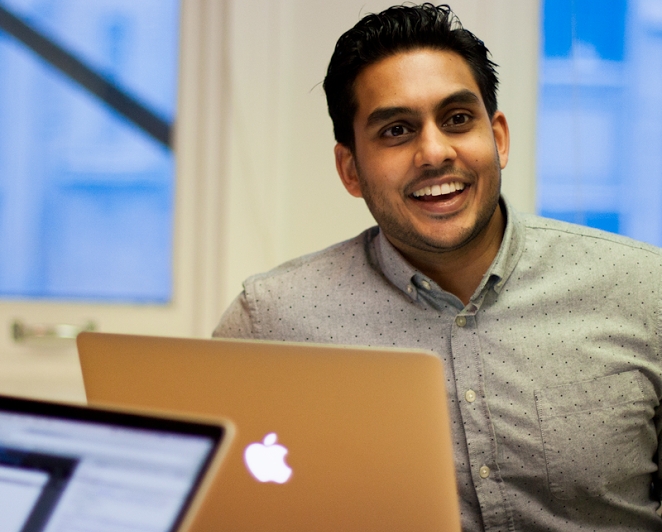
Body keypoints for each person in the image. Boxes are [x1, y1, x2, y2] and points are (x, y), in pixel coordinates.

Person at [214, 4, 662, 530]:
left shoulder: (642, 290)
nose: (434, 152)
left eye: (457, 120)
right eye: (396, 130)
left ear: (498, 137)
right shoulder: (270, 323)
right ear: (350, 169)